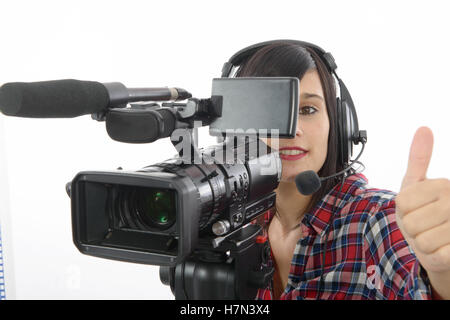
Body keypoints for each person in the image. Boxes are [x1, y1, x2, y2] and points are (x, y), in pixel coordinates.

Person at [230, 40, 450, 300]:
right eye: (271, 111)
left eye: (308, 109)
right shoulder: (233, 224)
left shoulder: (379, 219)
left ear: (338, 124)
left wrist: (442, 275)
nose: (292, 129)